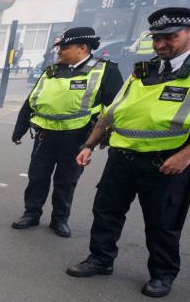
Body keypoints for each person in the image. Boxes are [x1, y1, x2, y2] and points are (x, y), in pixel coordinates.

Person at [68, 7, 190, 298]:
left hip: (166, 161)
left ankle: (162, 274)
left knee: (162, 222)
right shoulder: (142, 71)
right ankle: (101, 259)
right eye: (157, 38)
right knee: (106, 211)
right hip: (122, 158)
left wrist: (185, 155)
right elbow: (111, 113)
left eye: (170, 37)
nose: (161, 44)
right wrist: (88, 145)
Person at [10, 27, 123, 237]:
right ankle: (31, 213)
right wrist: (20, 130)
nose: (59, 52)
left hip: (78, 137)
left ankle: (59, 219)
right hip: (45, 135)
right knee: (37, 176)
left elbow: (115, 108)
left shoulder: (106, 70)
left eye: (65, 47)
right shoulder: (52, 71)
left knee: (66, 179)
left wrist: (103, 138)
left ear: (82, 47)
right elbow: (31, 101)